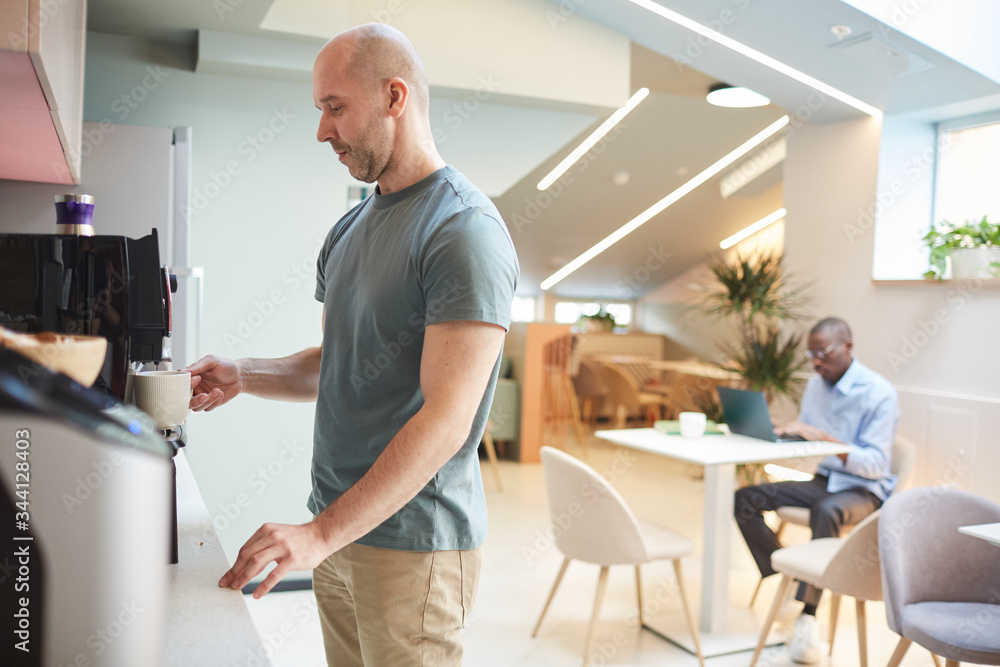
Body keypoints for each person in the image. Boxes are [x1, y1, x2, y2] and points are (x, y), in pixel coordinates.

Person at [183, 23, 519, 667]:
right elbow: (337, 362)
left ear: (395, 96)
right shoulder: (351, 227)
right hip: (338, 528)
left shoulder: (463, 231)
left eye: (335, 108)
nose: (322, 131)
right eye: (320, 110)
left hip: (413, 545)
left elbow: (447, 420)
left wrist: (319, 534)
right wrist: (244, 373)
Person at [733, 317, 898, 664]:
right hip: (823, 482)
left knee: (827, 510)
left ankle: (808, 615)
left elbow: (876, 465)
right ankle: (790, 575)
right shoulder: (815, 385)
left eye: (822, 352)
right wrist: (782, 432)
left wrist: (824, 438)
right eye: (811, 355)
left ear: (847, 346)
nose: (816, 362)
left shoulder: (878, 392)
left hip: (865, 490)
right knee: (746, 499)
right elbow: (807, 438)